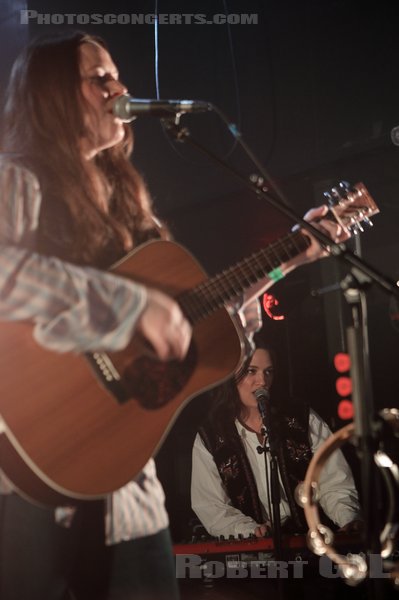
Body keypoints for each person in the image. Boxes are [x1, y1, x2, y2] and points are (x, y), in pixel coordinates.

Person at [0, 30, 348, 600]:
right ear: (53, 96)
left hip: (126, 486)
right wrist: (133, 306)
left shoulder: (128, 210)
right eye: (100, 78)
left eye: (117, 75)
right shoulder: (15, 176)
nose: (121, 88)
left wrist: (290, 258)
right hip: (29, 472)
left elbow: (196, 321)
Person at [191, 339, 363, 539]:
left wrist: (349, 519)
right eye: (251, 371)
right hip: (252, 555)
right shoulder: (211, 436)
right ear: (231, 375)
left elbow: (334, 481)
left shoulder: (302, 418)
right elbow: (211, 505)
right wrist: (250, 530)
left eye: (268, 372)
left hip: (313, 542)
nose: (262, 381)